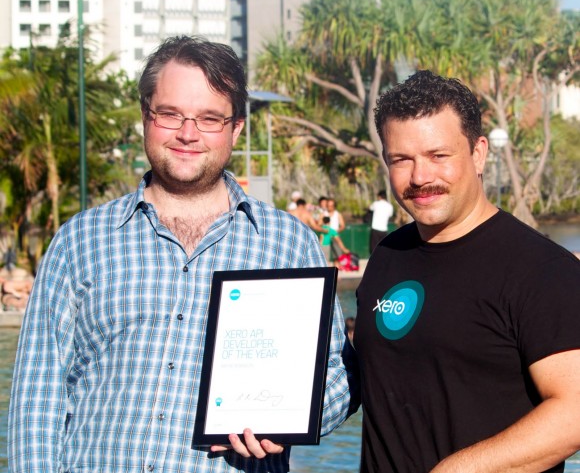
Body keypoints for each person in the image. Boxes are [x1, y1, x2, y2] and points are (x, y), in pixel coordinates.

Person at [8, 36, 352, 473]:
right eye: (170, 114)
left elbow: (337, 375)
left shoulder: (289, 244)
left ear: (236, 128)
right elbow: (37, 399)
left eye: (209, 118)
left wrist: (287, 420)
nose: (188, 134)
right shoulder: (80, 241)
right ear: (145, 116)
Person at [354, 70, 580, 472]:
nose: (420, 177)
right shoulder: (388, 254)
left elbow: (574, 412)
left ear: (478, 153)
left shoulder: (543, 270)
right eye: (401, 160)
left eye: (438, 156)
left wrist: (458, 469)